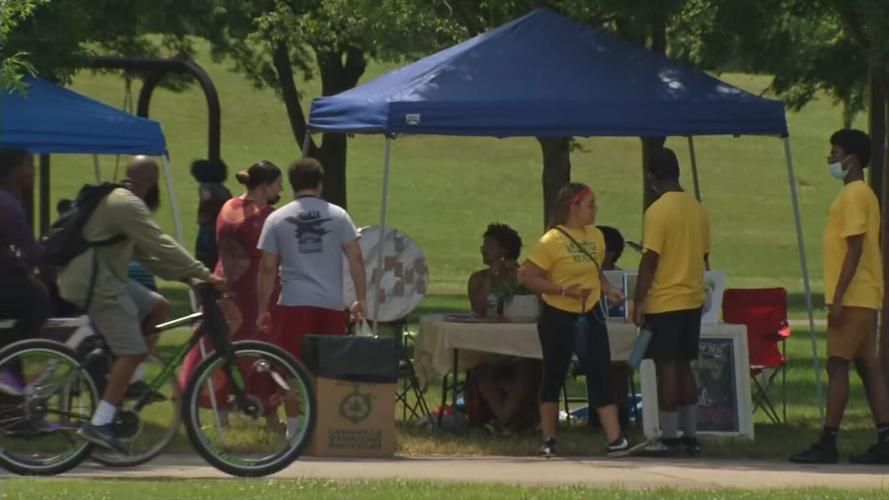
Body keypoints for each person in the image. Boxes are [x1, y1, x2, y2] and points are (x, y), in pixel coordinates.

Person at [58, 155, 223, 453]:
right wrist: (205, 273)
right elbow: (160, 242)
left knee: (159, 307)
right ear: (153, 181)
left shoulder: (121, 200)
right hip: (95, 283)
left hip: (108, 278)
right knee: (132, 349)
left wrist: (188, 278)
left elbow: (149, 257)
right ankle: (101, 422)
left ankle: (131, 380)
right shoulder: (127, 204)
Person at [790, 129, 889, 464]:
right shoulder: (864, 194)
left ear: (852, 159)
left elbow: (855, 246)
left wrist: (839, 296)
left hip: (854, 295)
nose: (830, 160)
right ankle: (885, 438)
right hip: (866, 293)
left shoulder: (854, 195)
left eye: (835, 153)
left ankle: (828, 441)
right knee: (868, 366)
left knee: (837, 363)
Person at [256, 157, 366, 440]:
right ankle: (326, 428)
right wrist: (360, 298)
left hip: (294, 302)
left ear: (292, 185)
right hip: (330, 303)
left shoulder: (276, 219)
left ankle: (294, 429)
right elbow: (356, 258)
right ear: (320, 184)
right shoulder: (339, 216)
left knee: (291, 368)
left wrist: (262, 308)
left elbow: (267, 268)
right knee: (329, 369)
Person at [519, 183, 630, 458]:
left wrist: (608, 289)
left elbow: (595, 271)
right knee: (555, 372)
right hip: (558, 314)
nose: (595, 210)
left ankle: (615, 439)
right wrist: (562, 290)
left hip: (590, 312)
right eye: (590, 205)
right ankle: (548, 439)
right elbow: (527, 276)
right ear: (573, 206)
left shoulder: (596, 236)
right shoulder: (551, 241)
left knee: (601, 371)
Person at [179, 160, 284, 426]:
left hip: (225, 286)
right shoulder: (265, 218)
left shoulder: (228, 207)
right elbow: (272, 257)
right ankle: (269, 416)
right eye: (277, 185)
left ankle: (221, 413)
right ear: (265, 186)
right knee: (261, 351)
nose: (281, 190)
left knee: (221, 347)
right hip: (253, 292)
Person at [631, 147, 709, 457]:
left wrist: (639, 301)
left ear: (652, 177)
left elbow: (650, 259)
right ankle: (691, 436)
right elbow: (704, 253)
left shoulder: (657, 211)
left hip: (665, 300)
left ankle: (669, 437)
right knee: (685, 365)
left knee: (666, 369)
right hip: (692, 298)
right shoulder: (697, 208)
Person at [466, 223, 541, 433]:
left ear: (504, 251)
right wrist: (491, 278)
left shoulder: (522, 277)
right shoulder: (477, 278)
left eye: (489, 245)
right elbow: (479, 308)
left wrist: (515, 276)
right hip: (489, 349)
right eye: (483, 245)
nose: (483, 250)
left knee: (527, 368)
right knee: (482, 372)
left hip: (520, 349)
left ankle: (502, 421)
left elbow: (535, 303)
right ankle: (505, 421)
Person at [0, 148, 51, 395]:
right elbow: (30, 249)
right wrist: (52, 274)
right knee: (39, 300)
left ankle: (10, 368)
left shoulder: (7, 199)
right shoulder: (7, 204)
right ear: (15, 171)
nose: (33, 172)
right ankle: (7, 363)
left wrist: (25, 270)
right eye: (28, 166)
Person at [191, 159, 232, 270]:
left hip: (209, 229)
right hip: (223, 229)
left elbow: (208, 199)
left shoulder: (206, 187)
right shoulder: (224, 190)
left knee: (205, 259)